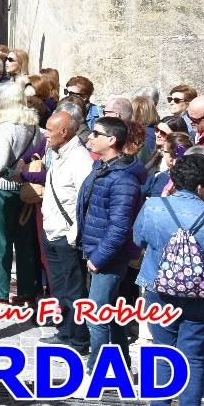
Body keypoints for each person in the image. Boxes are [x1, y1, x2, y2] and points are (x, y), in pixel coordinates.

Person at [132, 154, 204, 406]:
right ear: (202, 185)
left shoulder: (153, 206)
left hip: (159, 288)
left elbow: (137, 239)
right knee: (194, 354)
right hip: (201, 293)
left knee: (162, 350)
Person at [76, 116, 143, 371]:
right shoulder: (103, 168)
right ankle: (120, 365)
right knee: (111, 313)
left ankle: (98, 371)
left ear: (112, 140)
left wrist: (98, 258)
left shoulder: (123, 179)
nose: (90, 138)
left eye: (96, 133)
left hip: (108, 257)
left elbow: (120, 226)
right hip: (95, 250)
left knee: (96, 316)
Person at [38, 110, 95, 352]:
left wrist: (75, 234)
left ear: (64, 132)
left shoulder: (80, 159)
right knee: (60, 288)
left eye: (50, 130)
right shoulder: (59, 153)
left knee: (74, 290)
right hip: (52, 231)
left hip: (67, 236)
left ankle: (79, 340)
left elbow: (86, 199)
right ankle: (65, 332)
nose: (46, 135)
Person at [0, 81, 43, 305]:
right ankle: (27, 291)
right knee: (25, 243)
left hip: (3, 189)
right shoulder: (34, 127)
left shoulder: (6, 128)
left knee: (0, 243)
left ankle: (1, 293)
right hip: (26, 190)